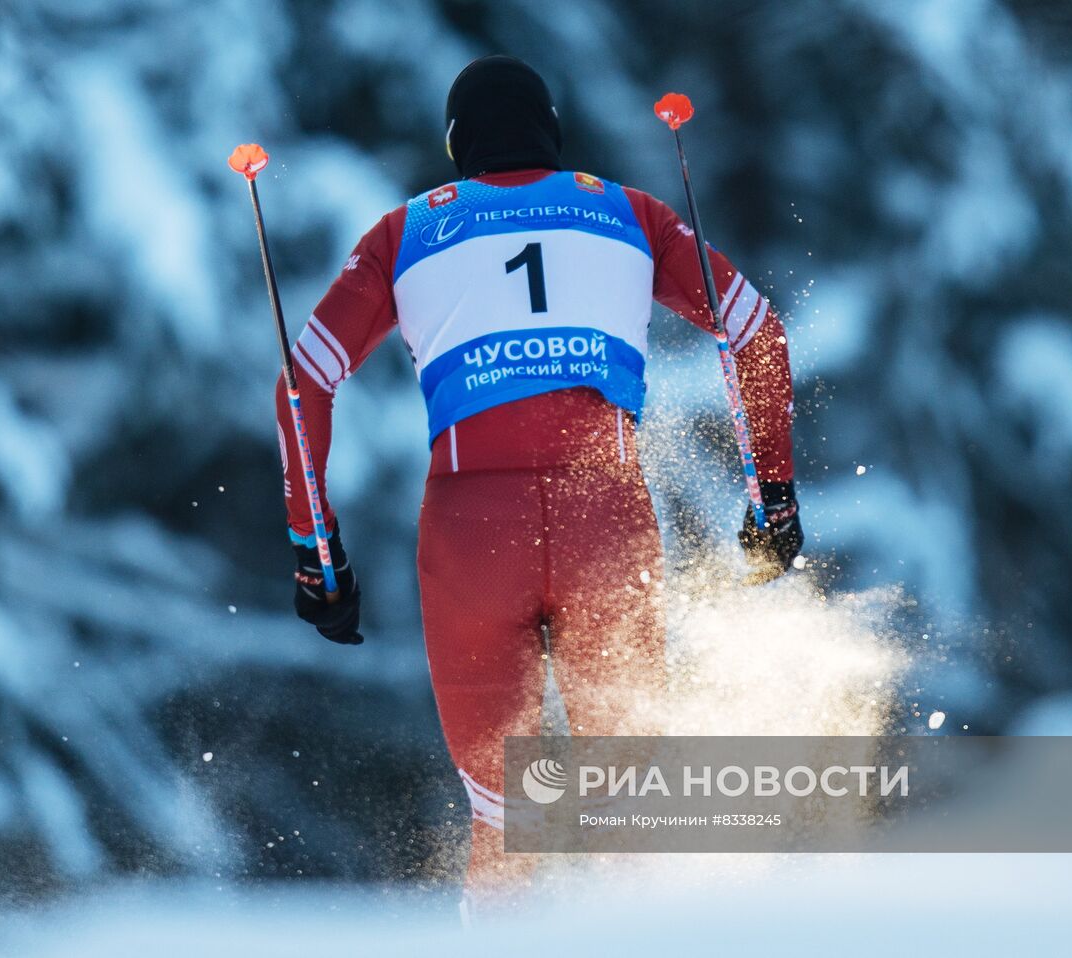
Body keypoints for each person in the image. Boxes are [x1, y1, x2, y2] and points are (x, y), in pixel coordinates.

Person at [276, 55, 802, 902]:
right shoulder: (629, 211)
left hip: (471, 531)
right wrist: (769, 497)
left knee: (507, 813)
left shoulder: (405, 232)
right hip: (606, 518)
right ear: (552, 138)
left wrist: (316, 551)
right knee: (627, 804)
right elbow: (757, 335)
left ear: (456, 147)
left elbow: (303, 383)